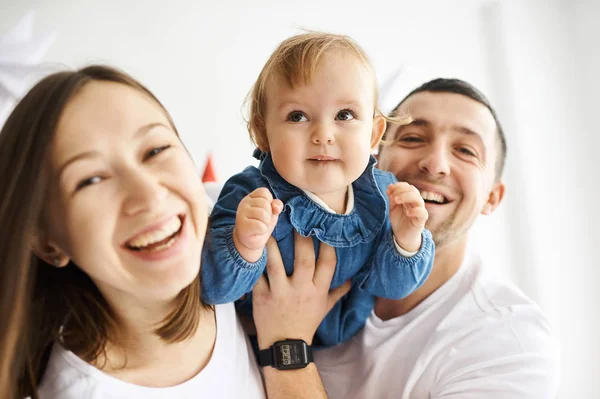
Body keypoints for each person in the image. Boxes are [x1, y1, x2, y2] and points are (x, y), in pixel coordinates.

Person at [0, 65, 346, 399]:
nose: (150, 194)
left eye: (156, 150)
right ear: (47, 242)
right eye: (91, 179)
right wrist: (288, 344)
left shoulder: (231, 224)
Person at [313, 78, 561, 398]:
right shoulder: (302, 254)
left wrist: (286, 348)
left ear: (492, 197)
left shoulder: (512, 342)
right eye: (413, 138)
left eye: (466, 150)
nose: (434, 164)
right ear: (373, 162)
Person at [201, 32, 435, 348]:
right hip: (256, 343)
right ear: (262, 133)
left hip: (341, 339)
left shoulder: (385, 195)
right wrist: (243, 244)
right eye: (297, 116)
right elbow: (213, 289)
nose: (323, 134)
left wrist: (407, 241)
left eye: (345, 115)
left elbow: (391, 288)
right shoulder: (252, 194)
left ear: (374, 133)